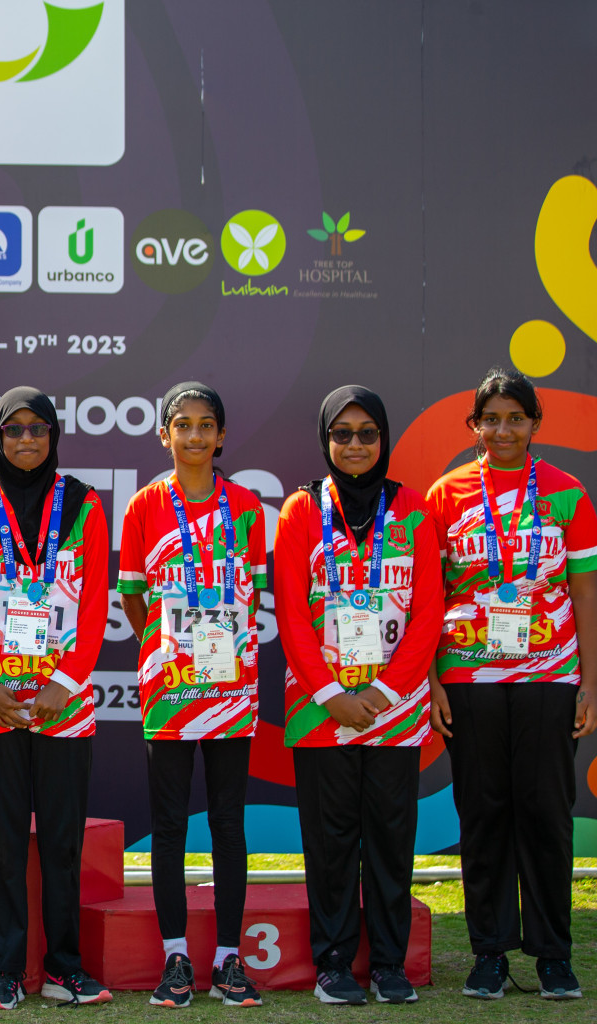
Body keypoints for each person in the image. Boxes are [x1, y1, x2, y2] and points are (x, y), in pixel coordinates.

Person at [426, 368, 597, 1001]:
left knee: (547, 813)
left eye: (515, 418)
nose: (503, 430)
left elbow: (584, 590)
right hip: (470, 676)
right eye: (490, 418)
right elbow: (428, 598)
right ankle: (489, 953)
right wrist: (434, 679)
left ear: (534, 424)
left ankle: (554, 954)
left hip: (550, 675)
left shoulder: (566, 494)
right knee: (484, 812)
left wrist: (592, 682)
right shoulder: (445, 497)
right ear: (473, 426)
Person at [274, 387, 442, 1006]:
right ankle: (335, 963)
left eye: (366, 433)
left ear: (384, 439)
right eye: (341, 434)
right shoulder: (298, 512)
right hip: (321, 711)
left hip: (395, 711)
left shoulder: (415, 510)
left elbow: (429, 612)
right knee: (331, 839)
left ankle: (391, 964)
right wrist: (329, 694)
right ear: (325, 441)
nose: (353, 445)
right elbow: (290, 613)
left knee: (392, 837)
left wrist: (386, 691)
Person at [0, 387, 111, 1009]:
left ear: (54, 435)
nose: (25, 440)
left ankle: (66, 968)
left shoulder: (84, 505)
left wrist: (62, 687)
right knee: (7, 842)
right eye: (12, 429)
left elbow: (95, 606)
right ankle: (6, 972)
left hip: (64, 704)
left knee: (64, 842)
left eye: (37, 428)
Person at [117, 382, 265, 1009]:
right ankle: (176, 957)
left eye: (208, 426)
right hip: (170, 689)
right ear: (165, 435)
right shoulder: (145, 505)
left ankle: (230, 960)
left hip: (232, 688)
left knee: (229, 824)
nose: (197, 436)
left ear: (223, 436)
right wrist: (169, 646)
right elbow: (133, 599)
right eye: (184, 425)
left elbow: (253, 595)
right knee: (171, 826)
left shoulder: (249, 506)